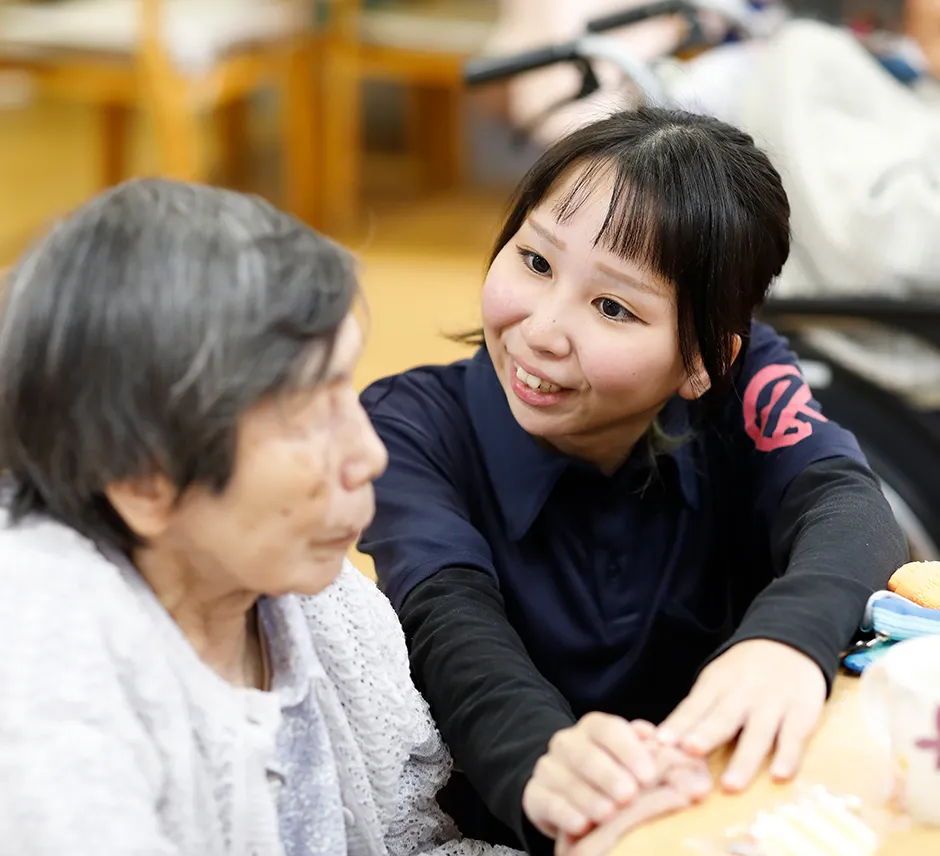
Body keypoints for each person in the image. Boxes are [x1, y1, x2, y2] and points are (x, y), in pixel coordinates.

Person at [0, 177, 696, 856]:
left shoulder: (326, 609)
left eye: (347, 392)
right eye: (307, 417)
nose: (367, 453)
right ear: (143, 480)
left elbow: (412, 843)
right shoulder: (45, 672)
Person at [356, 107, 909, 855]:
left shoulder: (742, 380)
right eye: (536, 261)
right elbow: (447, 618)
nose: (543, 331)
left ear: (701, 362)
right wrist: (542, 759)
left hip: (725, 812)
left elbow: (848, 503)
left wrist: (786, 641)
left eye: (612, 306)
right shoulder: (408, 425)